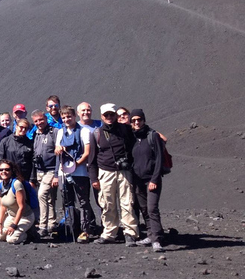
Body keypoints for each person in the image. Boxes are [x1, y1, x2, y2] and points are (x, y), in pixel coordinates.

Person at [88, 103, 140, 246]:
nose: (109, 117)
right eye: (106, 115)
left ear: (116, 115)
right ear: (102, 116)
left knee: (127, 202)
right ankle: (109, 233)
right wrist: (94, 178)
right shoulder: (97, 133)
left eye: (112, 114)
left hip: (124, 171)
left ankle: (130, 233)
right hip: (105, 172)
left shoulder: (126, 130)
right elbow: (92, 158)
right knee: (107, 203)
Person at [55, 105, 98, 243]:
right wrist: (58, 149)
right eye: (64, 117)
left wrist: (75, 165)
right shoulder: (60, 132)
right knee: (68, 201)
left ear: (74, 116)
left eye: (69, 116)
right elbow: (57, 149)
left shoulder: (84, 132)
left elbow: (87, 152)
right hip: (64, 173)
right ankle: (72, 227)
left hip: (80, 172)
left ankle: (86, 230)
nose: (66, 119)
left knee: (83, 201)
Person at [129, 109, 166, 252]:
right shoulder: (132, 138)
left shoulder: (153, 136)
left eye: (139, 120)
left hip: (151, 179)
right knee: (144, 209)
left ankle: (156, 240)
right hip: (138, 180)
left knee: (152, 209)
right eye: (134, 120)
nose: (137, 122)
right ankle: (151, 235)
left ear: (144, 120)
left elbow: (159, 159)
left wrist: (155, 179)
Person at [0, 160, 37, 244]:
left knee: (11, 239)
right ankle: (17, 231)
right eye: (1, 170)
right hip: (11, 216)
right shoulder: (0, 184)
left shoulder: (17, 184)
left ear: (12, 171)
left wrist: (14, 225)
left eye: (7, 169)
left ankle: (29, 233)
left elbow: (21, 207)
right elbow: (2, 206)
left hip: (25, 217)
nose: (3, 172)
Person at [31, 110, 59, 237]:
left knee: (41, 195)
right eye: (36, 121)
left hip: (51, 170)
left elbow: (59, 155)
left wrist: (57, 174)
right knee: (49, 198)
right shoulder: (36, 134)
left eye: (41, 120)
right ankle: (52, 224)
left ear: (46, 119)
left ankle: (42, 225)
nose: (39, 123)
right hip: (39, 171)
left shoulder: (54, 132)